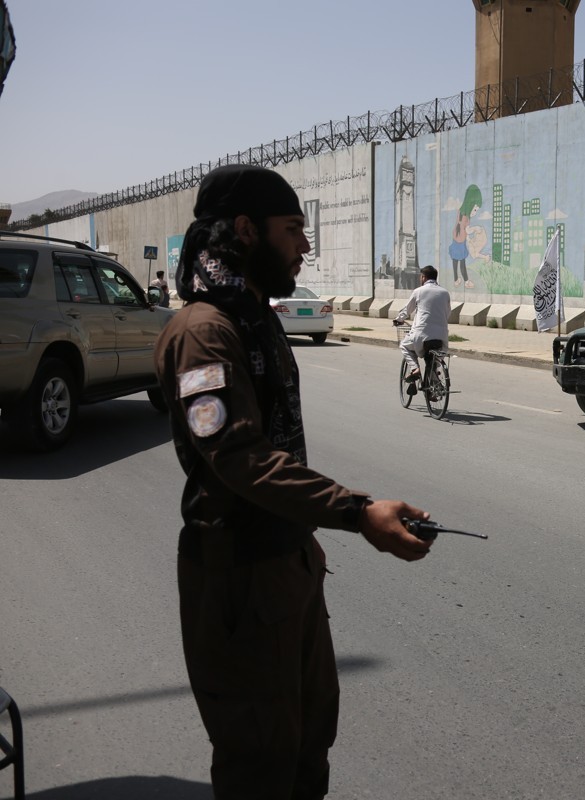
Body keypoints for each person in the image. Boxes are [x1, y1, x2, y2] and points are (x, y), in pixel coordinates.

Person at [154, 164, 436, 800]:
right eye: (293, 230)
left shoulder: (255, 318)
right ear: (247, 231)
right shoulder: (205, 332)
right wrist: (357, 511)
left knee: (309, 740)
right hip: (239, 581)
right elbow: (239, 457)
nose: (305, 246)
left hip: (285, 566)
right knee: (261, 762)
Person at [393, 265, 452, 395]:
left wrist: (399, 319)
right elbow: (447, 314)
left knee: (404, 345)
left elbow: (407, 310)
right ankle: (434, 387)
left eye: (421, 277)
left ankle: (415, 369)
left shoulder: (419, 291)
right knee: (434, 360)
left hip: (422, 334)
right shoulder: (445, 292)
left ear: (423, 277)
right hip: (441, 336)